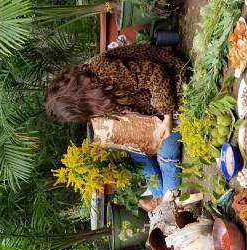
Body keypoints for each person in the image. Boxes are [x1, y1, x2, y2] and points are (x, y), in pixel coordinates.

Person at [45, 44, 188, 210]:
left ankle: (167, 203)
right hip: (152, 109)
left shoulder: (102, 71)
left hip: (176, 88)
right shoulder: (92, 91)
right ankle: (160, 197)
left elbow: (156, 74)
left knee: (166, 158)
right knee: (137, 155)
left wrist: (167, 116)